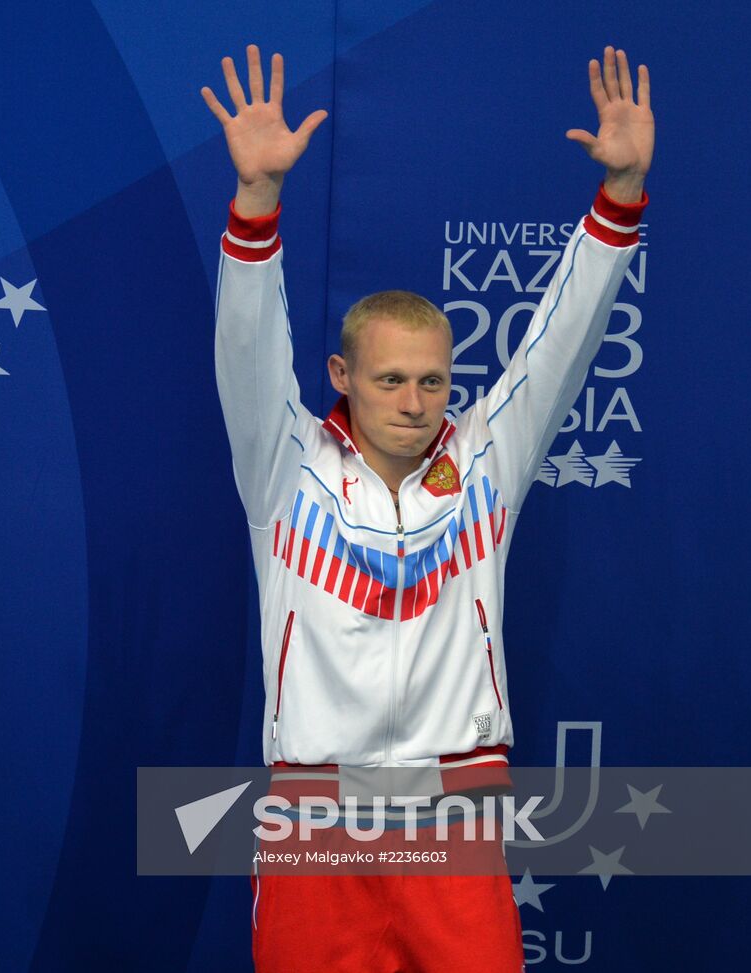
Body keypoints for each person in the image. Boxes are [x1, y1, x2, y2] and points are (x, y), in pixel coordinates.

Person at [203, 45, 652, 971]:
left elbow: (563, 338)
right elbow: (247, 350)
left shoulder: (486, 457)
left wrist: (621, 196)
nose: (415, 400)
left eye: (434, 380)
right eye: (392, 379)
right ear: (342, 377)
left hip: (454, 815)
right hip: (316, 818)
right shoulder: (287, 469)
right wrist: (256, 208)